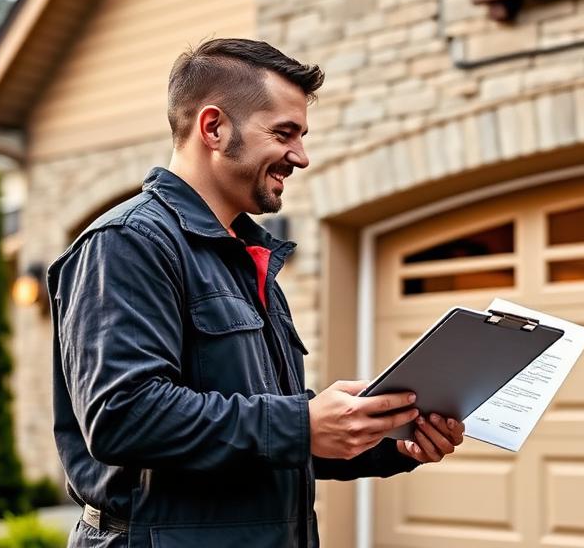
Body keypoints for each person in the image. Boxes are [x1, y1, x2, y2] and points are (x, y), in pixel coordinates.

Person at [47, 38, 464, 548]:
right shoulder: (127, 243)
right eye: (284, 133)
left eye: (302, 136)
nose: (302, 156)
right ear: (214, 128)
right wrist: (302, 422)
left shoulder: (247, 259)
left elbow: (263, 445)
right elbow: (124, 415)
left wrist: (389, 441)